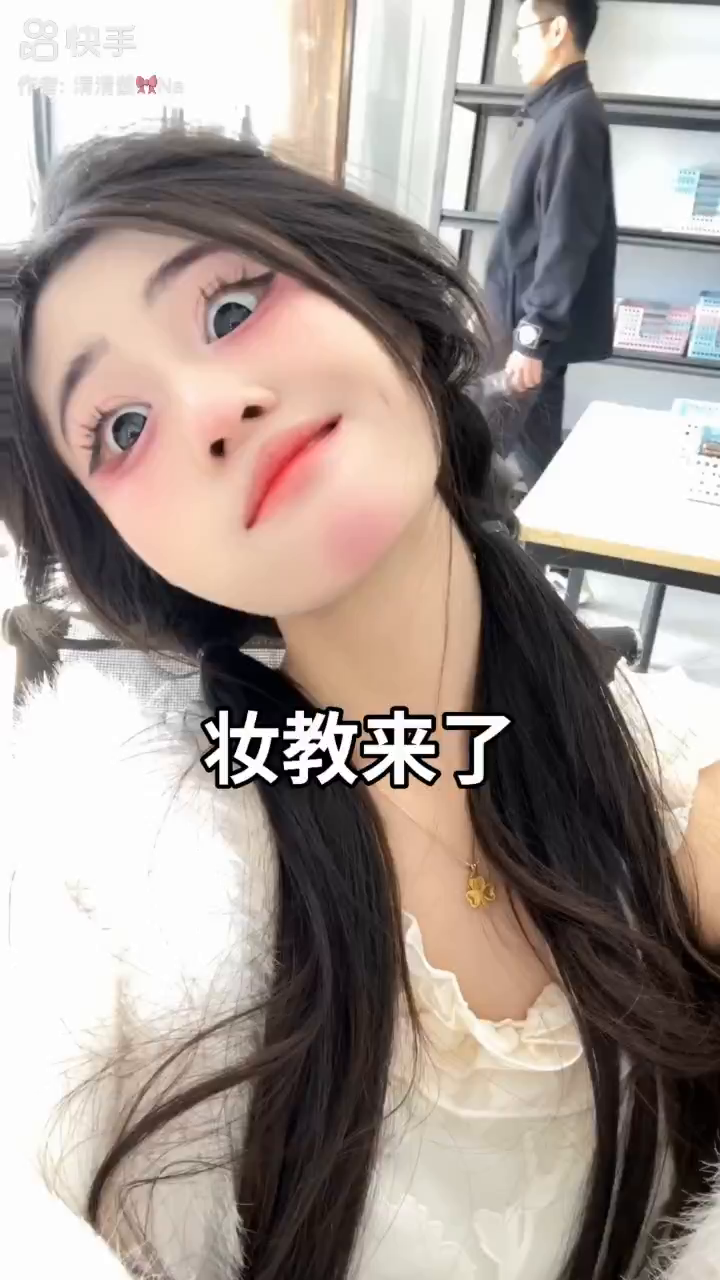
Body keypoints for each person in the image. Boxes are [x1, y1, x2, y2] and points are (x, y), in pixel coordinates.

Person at [4, 129, 720, 1280]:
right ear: (125, 549)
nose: (213, 406)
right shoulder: (110, 848)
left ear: (375, 295)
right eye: (122, 428)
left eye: (231, 308)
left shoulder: (677, 781)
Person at [485, 0, 617, 487]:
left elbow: (567, 237)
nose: (515, 48)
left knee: (499, 461)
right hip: (522, 328)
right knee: (523, 464)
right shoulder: (560, 114)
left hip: (526, 335)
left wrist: (532, 337)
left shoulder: (573, 119)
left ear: (557, 30)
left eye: (522, 32)